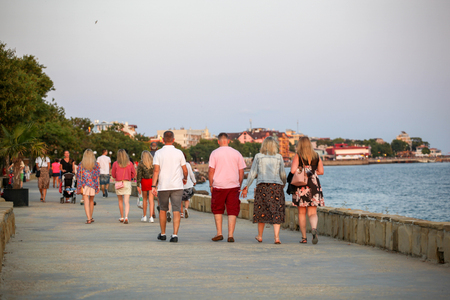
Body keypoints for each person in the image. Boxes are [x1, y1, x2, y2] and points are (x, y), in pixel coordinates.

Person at [241, 137, 287, 244]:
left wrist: (245, 187)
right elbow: (283, 174)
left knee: (261, 211)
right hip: (276, 187)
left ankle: (260, 236)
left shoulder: (258, 157)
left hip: (262, 187)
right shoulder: (279, 157)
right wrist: (283, 184)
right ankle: (276, 238)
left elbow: (252, 174)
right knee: (276, 211)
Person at [208, 133, 246, 243]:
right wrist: (239, 183)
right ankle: (230, 235)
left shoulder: (214, 153)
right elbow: (241, 171)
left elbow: (211, 171)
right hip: (233, 186)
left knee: (217, 209)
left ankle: (219, 233)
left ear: (218, 141)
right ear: (228, 141)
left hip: (218, 185)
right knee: (232, 210)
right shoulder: (236, 153)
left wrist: (211, 185)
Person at [287, 136, 324, 245]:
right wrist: (311, 171)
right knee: (313, 212)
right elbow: (321, 171)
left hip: (301, 185)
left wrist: (301, 169)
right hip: (314, 185)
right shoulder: (316, 156)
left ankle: (304, 238)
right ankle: (314, 229)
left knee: (301, 213)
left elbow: (293, 170)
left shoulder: (298, 155)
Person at [152, 131, 188, 243]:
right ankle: (175, 235)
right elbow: (185, 169)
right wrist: (185, 178)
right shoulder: (179, 153)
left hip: (163, 186)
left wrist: (153, 185)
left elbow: (156, 170)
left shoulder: (158, 153)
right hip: (177, 185)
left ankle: (163, 234)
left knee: (163, 209)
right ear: (173, 140)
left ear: (163, 140)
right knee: (176, 210)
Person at [111, 149, 136, 224]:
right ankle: (126, 217)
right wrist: (129, 177)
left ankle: (121, 217)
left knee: (120, 201)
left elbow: (113, 175)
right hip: (127, 182)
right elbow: (133, 174)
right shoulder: (130, 163)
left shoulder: (115, 163)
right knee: (126, 201)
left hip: (119, 183)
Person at [76, 149, 100, 224]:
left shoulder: (81, 164)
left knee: (86, 201)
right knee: (91, 201)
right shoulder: (95, 164)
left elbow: (79, 176)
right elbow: (97, 176)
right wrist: (97, 186)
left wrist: (78, 187)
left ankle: (88, 218)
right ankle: (91, 217)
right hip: (93, 184)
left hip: (84, 184)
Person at [136, 150, 155, 223]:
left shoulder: (141, 164)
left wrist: (138, 185)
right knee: (151, 199)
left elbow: (139, 175)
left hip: (144, 181)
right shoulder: (153, 163)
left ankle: (144, 216)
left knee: (144, 199)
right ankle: (151, 217)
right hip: (151, 181)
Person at [181, 153, 196, 218]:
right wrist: (194, 181)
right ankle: (186, 209)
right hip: (188, 185)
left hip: (180, 185)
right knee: (187, 198)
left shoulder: (176, 165)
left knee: (179, 200)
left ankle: (181, 214)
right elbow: (191, 174)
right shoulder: (187, 164)